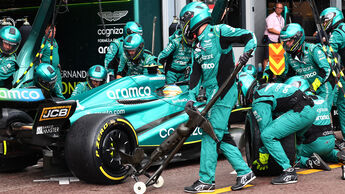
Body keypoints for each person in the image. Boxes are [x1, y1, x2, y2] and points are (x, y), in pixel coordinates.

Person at [181, 2, 257, 192]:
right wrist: (190, 99)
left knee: (208, 132)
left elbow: (250, 37)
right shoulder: (197, 45)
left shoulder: (219, 32)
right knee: (219, 135)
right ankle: (244, 172)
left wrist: (247, 53)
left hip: (225, 91)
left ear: (193, 18)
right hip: (211, 95)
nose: (183, 26)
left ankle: (206, 181)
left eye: (184, 21)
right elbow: (195, 75)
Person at [238, 72, 316, 184]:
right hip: (310, 111)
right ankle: (297, 161)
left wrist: (263, 156)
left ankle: (289, 172)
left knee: (268, 135)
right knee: (298, 137)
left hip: (301, 112)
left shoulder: (258, 99)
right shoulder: (265, 87)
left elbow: (265, 130)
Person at [285, 76, 345, 170]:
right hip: (329, 143)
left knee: (288, 154)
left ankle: (308, 162)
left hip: (312, 144)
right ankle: (337, 155)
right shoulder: (321, 98)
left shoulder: (300, 101)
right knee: (327, 154)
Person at [279, 23, 335, 110]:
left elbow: (326, 70)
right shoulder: (287, 55)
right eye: (285, 42)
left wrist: (314, 87)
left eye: (289, 41)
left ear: (298, 38)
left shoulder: (313, 50)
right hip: (306, 89)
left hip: (323, 87)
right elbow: (288, 75)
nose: (287, 44)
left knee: (322, 113)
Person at [320, 7, 345, 149]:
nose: (325, 24)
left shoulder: (338, 32)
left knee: (342, 103)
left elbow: (330, 52)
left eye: (325, 21)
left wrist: (321, 47)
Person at [39, 24, 64, 99]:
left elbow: (55, 53)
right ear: (46, 31)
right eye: (52, 31)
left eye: (55, 32)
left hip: (56, 69)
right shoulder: (44, 41)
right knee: (48, 90)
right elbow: (38, 57)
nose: (54, 33)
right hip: (49, 72)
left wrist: (57, 63)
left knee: (59, 88)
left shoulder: (54, 41)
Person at [262, 2, 285, 72]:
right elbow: (270, 29)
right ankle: (265, 75)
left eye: (281, 8)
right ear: (275, 8)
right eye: (278, 8)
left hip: (278, 40)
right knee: (267, 58)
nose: (279, 9)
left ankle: (274, 77)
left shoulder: (282, 19)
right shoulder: (271, 17)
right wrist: (281, 33)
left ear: (282, 9)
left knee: (276, 59)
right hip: (269, 39)